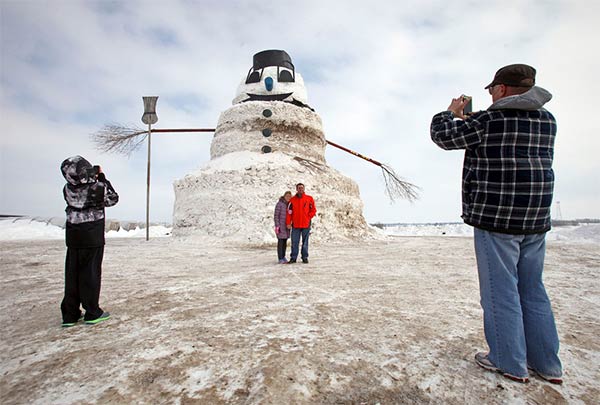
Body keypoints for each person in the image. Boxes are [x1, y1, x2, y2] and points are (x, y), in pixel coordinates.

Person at [430, 64, 562, 384]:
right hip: (535, 219)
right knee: (533, 291)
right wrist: (472, 120)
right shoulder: (547, 120)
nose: (489, 95)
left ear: (501, 89)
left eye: (491, 90)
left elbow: (443, 136)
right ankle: (547, 365)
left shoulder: (489, 120)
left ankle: (508, 361)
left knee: (500, 293)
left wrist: (449, 112)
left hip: (496, 219)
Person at [60, 156, 119, 327]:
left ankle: (70, 314)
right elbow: (113, 198)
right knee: (90, 274)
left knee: (72, 275)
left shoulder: (67, 189)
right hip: (92, 235)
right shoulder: (97, 187)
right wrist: (102, 178)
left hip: (73, 236)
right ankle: (92, 312)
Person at [286, 183, 316, 264]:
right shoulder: (292, 200)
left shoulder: (309, 198)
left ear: (304, 189)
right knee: (294, 242)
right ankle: (293, 258)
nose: (300, 189)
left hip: (306, 224)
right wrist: (288, 222)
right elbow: (289, 212)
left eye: (302, 188)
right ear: (296, 189)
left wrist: (308, 217)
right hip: (295, 225)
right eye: (299, 188)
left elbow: (313, 210)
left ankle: (305, 257)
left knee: (305, 242)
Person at [274, 191, 292, 264]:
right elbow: (276, 215)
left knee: (284, 242)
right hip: (281, 226)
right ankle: (280, 258)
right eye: (287, 196)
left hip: (286, 227)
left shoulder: (289, 205)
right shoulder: (280, 204)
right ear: (284, 196)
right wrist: (277, 225)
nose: (288, 198)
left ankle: (283, 256)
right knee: (280, 242)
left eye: (289, 196)